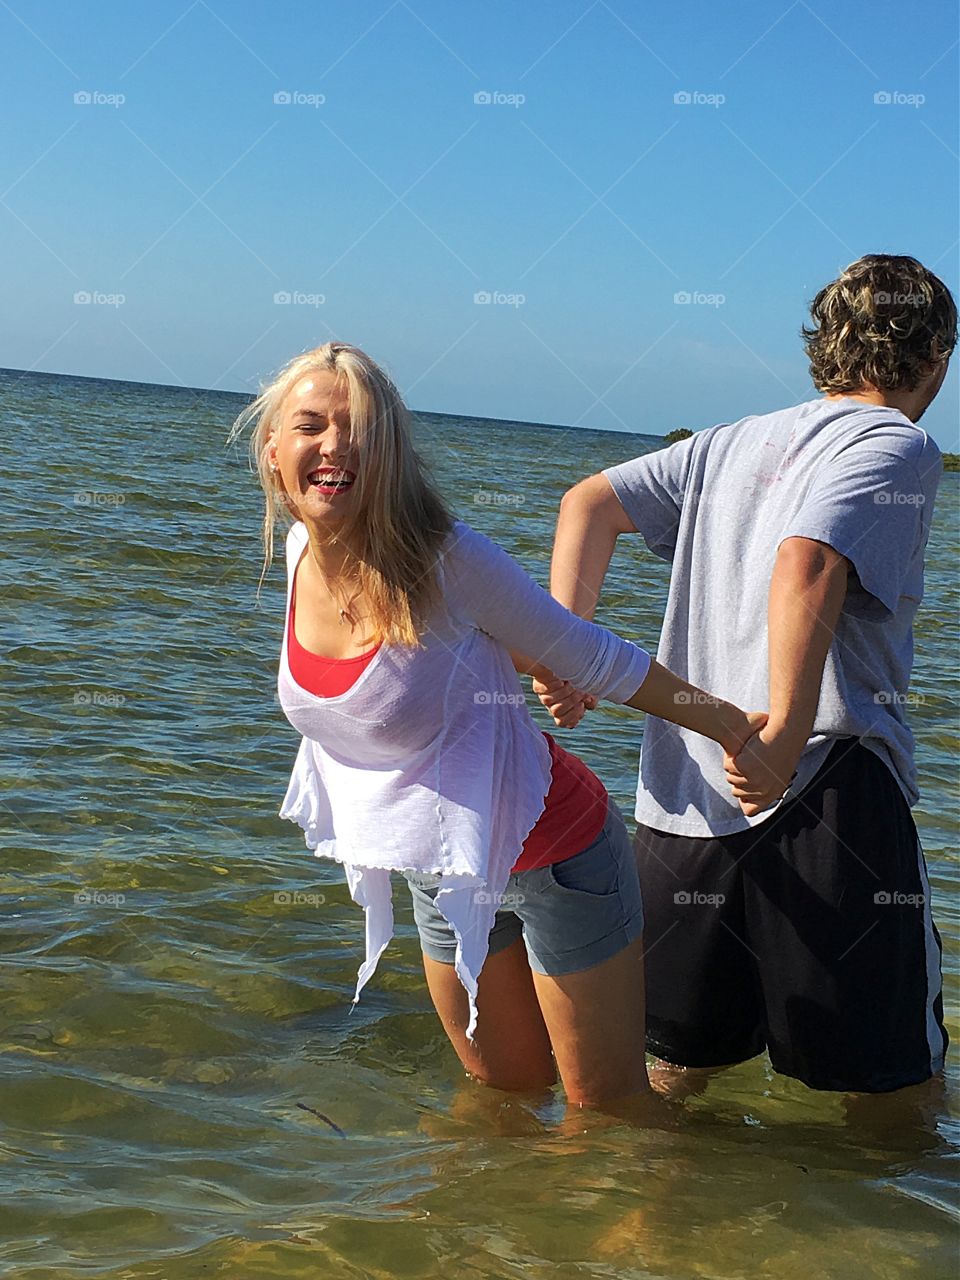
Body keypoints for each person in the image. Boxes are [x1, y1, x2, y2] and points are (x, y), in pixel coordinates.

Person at [228, 341, 764, 1110]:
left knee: (605, 1109)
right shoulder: (301, 549)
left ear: (391, 456)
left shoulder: (447, 559)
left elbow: (591, 651)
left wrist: (730, 727)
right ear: (274, 447)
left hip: (559, 854)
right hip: (439, 865)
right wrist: (533, 661)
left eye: (361, 431)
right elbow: (454, 648)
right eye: (311, 425)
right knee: (501, 1091)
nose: (335, 446)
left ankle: (675, 1213)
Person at [540, 254, 955, 1095]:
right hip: (825, 795)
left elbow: (588, 503)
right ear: (938, 354)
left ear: (824, 343)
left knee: (669, 1084)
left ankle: (634, 1226)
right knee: (891, 1100)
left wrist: (569, 650)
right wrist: (785, 731)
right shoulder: (901, 444)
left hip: (683, 807)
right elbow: (806, 563)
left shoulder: (729, 441)